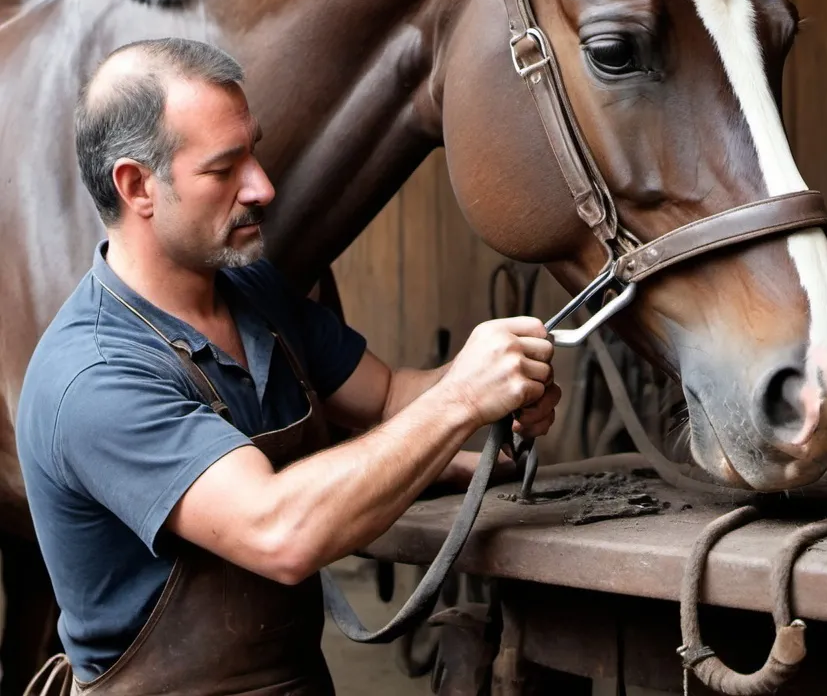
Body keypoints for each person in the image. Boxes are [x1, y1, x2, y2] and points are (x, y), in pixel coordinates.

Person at [16, 37, 559, 696]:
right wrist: (461, 401)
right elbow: (279, 530)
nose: (262, 186)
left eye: (255, 150)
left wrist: (499, 369)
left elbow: (389, 398)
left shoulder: (252, 289)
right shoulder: (96, 375)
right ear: (137, 186)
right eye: (224, 169)